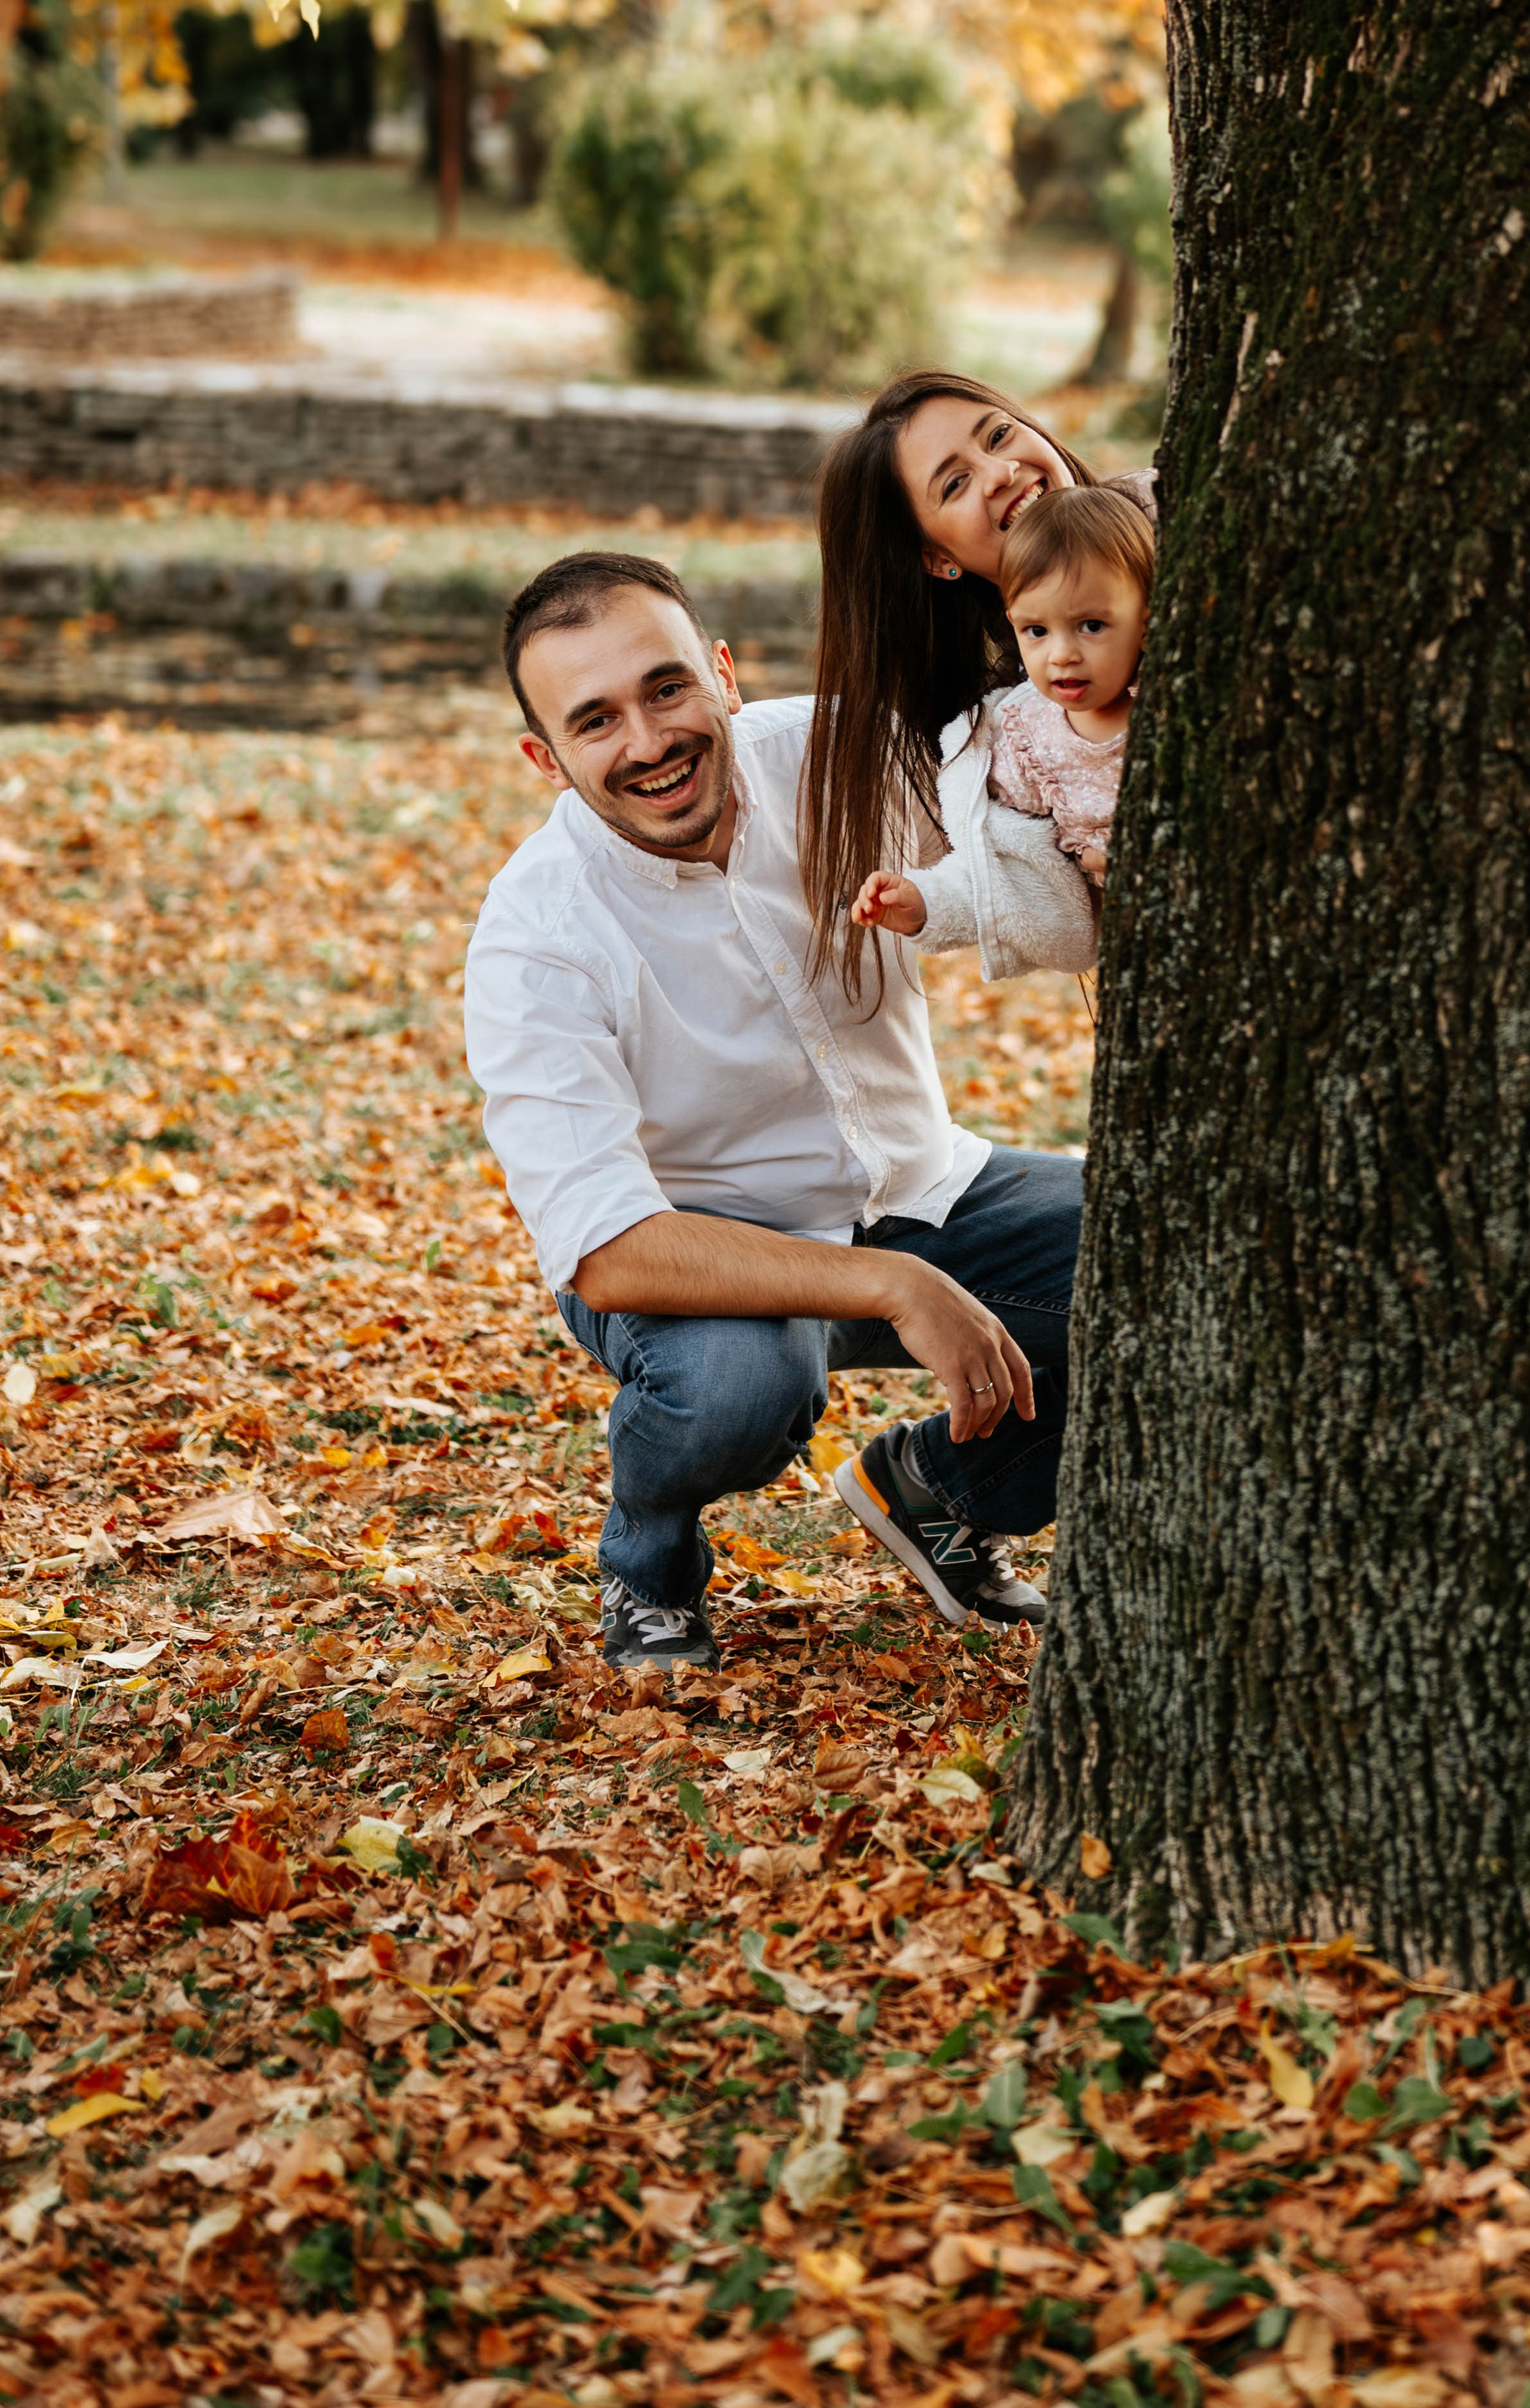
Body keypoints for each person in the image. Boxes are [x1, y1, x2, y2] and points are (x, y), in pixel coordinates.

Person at [463, 549, 1084, 1673]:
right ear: (544, 759)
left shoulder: (839, 755)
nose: (648, 742)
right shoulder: (534, 931)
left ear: (725, 673)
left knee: (1169, 1249)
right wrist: (897, 1286)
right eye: (594, 721)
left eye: (665, 688)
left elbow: (1051, 722)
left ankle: (940, 1490)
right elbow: (605, 1251)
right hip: (701, 1256)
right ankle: (648, 1564)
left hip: (922, 1186)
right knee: (741, 1389)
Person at [799, 369, 1153, 993]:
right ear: (938, 558)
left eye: (998, 435)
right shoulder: (1019, 722)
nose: (1001, 472)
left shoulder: (1166, 517)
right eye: (956, 483)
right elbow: (1021, 875)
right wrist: (929, 903)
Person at [852, 483, 1152, 938]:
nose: (1061, 654)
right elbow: (1007, 861)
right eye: (1037, 630)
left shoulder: (1176, 714)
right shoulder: (1027, 737)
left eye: (1091, 626)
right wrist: (927, 902)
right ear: (1014, 621)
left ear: (1146, 626)